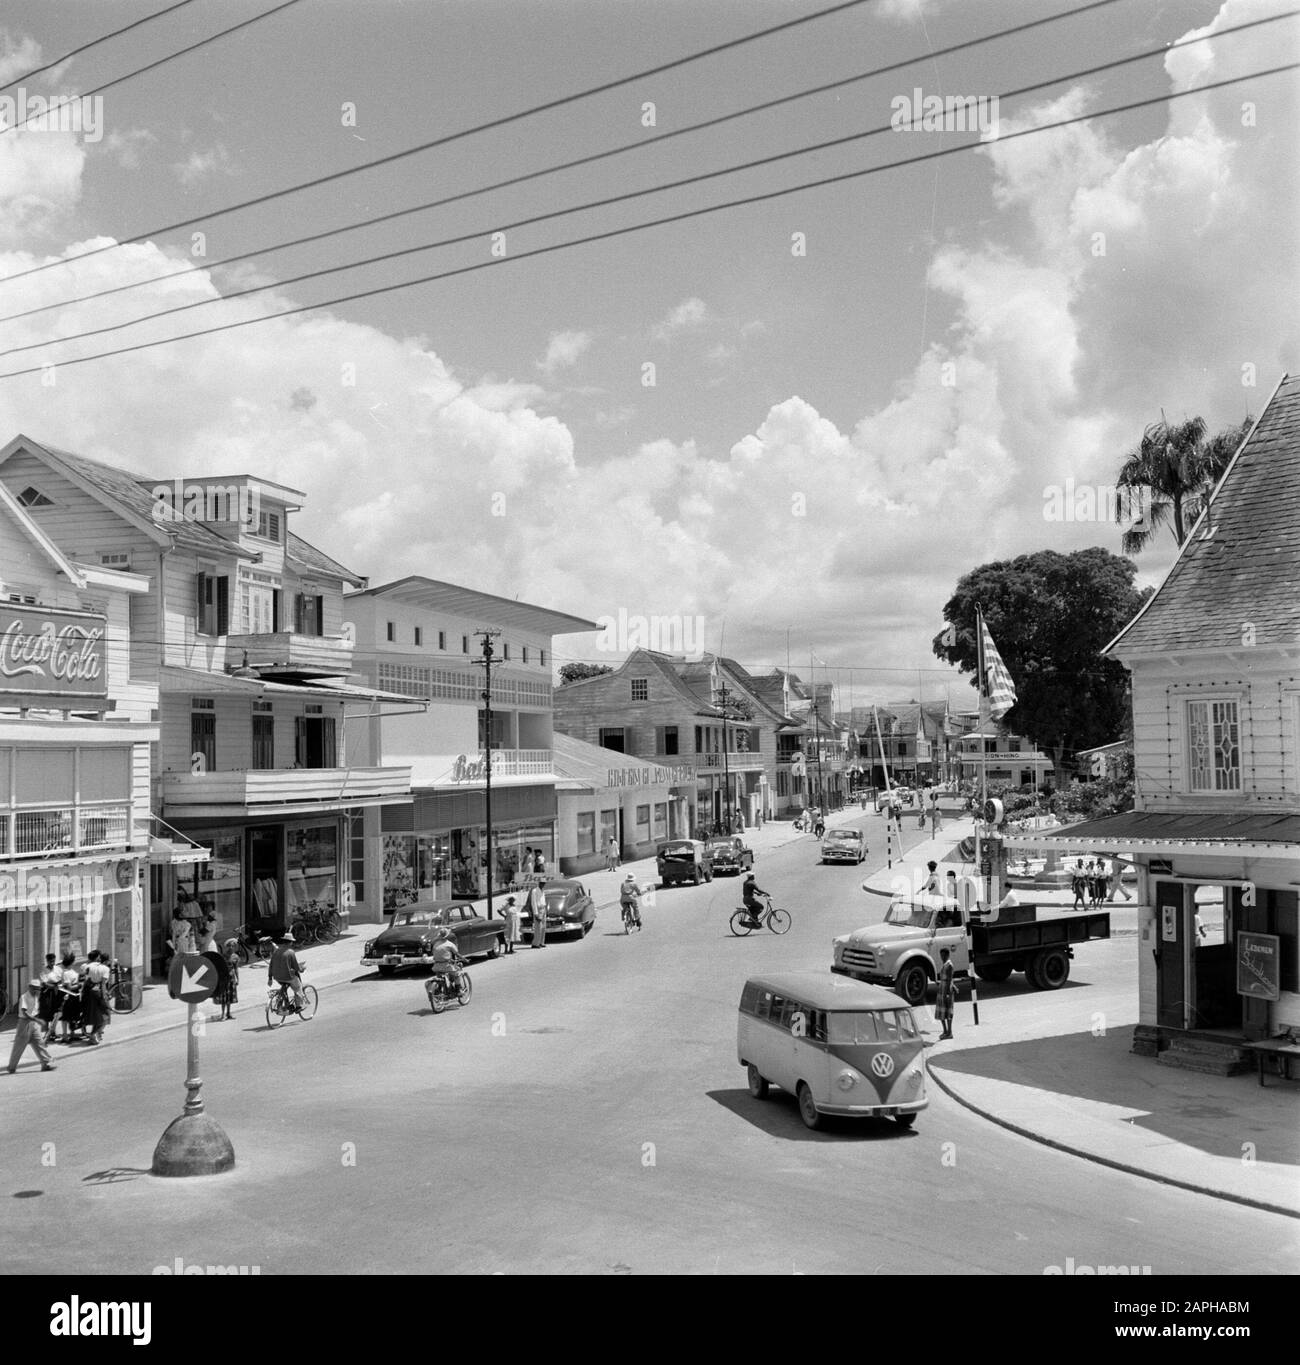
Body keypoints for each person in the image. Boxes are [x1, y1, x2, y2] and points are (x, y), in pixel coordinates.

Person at [7, 979, 56, 1073]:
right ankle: (11, 1067)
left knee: (39, 1043)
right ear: (30, 987)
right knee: (19, 1046)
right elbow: (24, 1013)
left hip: (32, 1023)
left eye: (38, 988)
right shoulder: (24, 997)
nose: (36, 990)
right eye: (34, 988)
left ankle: (46, 1063)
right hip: (24, 1023)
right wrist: (38, 1020)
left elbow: (35, 1010)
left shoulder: (36, 996)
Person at [81, 950, 111, 1045]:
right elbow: (102, 984)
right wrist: (105, 996)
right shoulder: (105, 968)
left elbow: (84, 978)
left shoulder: (86, 966)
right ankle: (95, 1033)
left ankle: (94, 1033)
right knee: (105, 1014)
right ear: (98, 957)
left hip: (87, 992)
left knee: (93, 1013)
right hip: (97, 993)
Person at [268, 932, 304, 1010]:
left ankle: (286, 1003)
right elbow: (296, 966)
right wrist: (301, 969)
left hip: (277, 977)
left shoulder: (276, 951)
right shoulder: (291, 952)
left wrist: (270, 978)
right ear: (291, 942)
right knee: (298, 987)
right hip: (287, 976)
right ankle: (298, 1006)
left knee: (284, 987)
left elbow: (271, 965)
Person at [55, 952, 82, 1043]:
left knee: (73, 1014)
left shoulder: (71, 972)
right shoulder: (67, 973)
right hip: (69, 995)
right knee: (66, 1016)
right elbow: (69, 987)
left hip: (74, 995)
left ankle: (72, 1034)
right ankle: (65, 1035)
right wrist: (78, 986)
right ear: (72, 962)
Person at [935, 948, 956, 1039]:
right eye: (941, 955)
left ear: (947, 955)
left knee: (947, 1011)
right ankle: (945, 1031)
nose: (942, 957)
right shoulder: (945, 964)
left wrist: (947, 993)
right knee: (942, 1011)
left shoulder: (949, 965)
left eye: (943, 955)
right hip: (942, 989)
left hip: (946, 991)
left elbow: (949, 979)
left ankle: (949, 1032)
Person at [216, 940, 240, 1020]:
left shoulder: (235, 957)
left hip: (232, 979)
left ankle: (228, 1013)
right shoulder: (223, 956)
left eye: (233, 946)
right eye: (229, 946)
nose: (231, 947)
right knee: (223, 997)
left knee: (230, 997)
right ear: (227, 946)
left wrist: (238, 979)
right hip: (224, 979)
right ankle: (223, 1014)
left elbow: (236, 968)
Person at [528, 881, 547, 948]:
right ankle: (535, 943)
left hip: (543, 908)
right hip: (538, 909)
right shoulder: (534, 891)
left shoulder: (543, 890)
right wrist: (535, 913)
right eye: (542, 883)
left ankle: (541, 942)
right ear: (539, 883)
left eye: (544, 883)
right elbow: (533, 903)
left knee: (543, 927)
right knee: (538, 927)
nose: (543, 884)